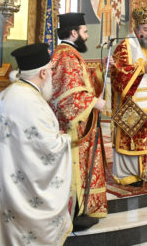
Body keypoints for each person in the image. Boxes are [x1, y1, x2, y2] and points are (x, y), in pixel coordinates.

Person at [0, 43, 72, 245]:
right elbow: (48, 149)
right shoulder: (32, 103)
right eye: (50, 70)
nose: (52, 75)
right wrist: (66, 139)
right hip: (22, 194)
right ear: (42, 73)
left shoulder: (6, 94)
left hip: (5, 184)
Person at [50, 13, 108, 230]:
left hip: (79, 124)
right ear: (73, 33)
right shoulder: (67, 57)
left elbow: (83, 84)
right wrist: (94, 102)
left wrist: (101, 70)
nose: (87, 35)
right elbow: (68, 97)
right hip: (73, 127)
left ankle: (82, 207)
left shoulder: (68, 54)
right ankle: (75, 210)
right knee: (75, 168)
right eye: (84, 31)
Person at [110, 6, 147, 186]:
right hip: (132, 104)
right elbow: (117, 73)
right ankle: (129, 174)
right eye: (146, 30)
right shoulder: (125, 46)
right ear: (137, 29)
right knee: (132, 140)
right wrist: (142, 69)